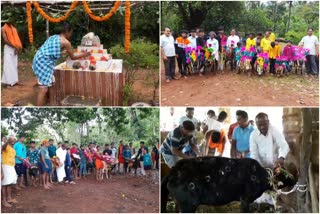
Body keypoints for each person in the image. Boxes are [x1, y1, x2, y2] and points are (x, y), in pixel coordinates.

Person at [32, 23, 91, 106]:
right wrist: (85, 54)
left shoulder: (53, 37)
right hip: (43, 62)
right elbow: (73, 57)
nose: (71, 35)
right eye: (71, 32)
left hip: (38, 58)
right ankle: (39, 108)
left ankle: (44, 103)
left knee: (44, 85)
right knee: (43, 89)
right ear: (67, 31)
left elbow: (50, 50)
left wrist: (62, 52)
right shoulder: (66, 42)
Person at [250, 113, 290, 205]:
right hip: (261, 165)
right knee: (261, 188)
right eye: (260, 125)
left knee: (277, 185)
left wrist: (282, 157)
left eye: (264, 124)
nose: (263, 127)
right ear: (256, 125)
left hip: (275, 164)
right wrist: (259, 169)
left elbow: (284, 146)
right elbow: (254, 154)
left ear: (268, 122)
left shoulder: (274, 131)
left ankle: (275, 203)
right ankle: (261, 203)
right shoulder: (253, 135)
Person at [1, 17, 22, 87]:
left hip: (14, 48)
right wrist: (14, 47)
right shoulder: (3, 28)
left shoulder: (14, 29)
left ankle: (15, 81)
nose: (11, 20)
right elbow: (5, 40)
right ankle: (8, 83)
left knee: (14, 64)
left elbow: (16, 40)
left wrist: (17, 48)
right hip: (8, 48)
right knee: (8, 65)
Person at [1, 136, 18, 207]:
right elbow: (2, 148)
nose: (13, 140)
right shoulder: (5, 146)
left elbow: (13, 156)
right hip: (5, 166)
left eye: (14, 139)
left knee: (10, 183)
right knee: (5, 184)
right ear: (9, 140)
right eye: (11, 139)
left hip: (11, 167)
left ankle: (9, 198)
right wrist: (8, 140)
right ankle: (4, 201)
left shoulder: (13, 149)